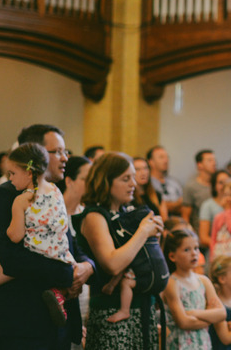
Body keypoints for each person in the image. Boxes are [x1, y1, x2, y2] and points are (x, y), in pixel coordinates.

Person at [0, 124, 94, 349]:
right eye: (58, 152)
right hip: (25, 325)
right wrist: (65, 274)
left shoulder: (53, 193)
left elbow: (68, 242)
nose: (65, 158)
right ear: (36, 155)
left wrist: (86, 266)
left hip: (57, 327)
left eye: (66, 151)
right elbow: (10, 258)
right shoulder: (7, 196)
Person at [78, 151, 164, 348]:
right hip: (113, 312)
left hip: (143, 308)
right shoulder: (95, 216)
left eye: (133, 177)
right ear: (105, 181)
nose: (133, 184)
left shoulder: (128, 212)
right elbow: (112, 264)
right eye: (126, 178)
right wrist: (143, 232)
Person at [163, 228, 225, 349]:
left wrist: (193, 313)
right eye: (187, 250)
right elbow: (183, 322)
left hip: (203, 343)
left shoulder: (204, 281)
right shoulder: (172, 283)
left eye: (196, 248)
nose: (194, 253)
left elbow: (222, 314)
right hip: (181, 344)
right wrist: (210, 318)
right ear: (172, 256)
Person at [182, 149, 216, 233]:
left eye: (214, 160)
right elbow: (185, 216)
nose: (214, 163)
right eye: (209, 160)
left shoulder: (218, 184)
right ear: (200, 165)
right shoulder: (191, 186)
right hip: (200, 235)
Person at [198, 169, 231, 251]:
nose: (224, 185)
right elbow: (203, 237)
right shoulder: (207, 205)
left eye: (227, 182)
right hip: (216, 250)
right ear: (214, 186)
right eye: (221, 182)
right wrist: (221, 247)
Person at [208, 176, 231, 260]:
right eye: (225, 195)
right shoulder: (218, 216)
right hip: (220, 256)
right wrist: (212, 258)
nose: (228, 198)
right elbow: (213, 240)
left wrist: (228, 210)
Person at [148, 145, 182, 216]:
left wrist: (168, 205)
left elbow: (184, 205)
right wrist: (176, 204)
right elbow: (154, 206)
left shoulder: (174, 182)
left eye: (167, 157)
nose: (166, 160)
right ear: (151, 162)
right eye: (161, 157)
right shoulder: (147, 183)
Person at [134, 156, 168, 220]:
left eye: (145, 168)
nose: (143, 172)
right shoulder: (128, 198)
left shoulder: (156, 195)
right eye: (137, 169)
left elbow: (165, 220)